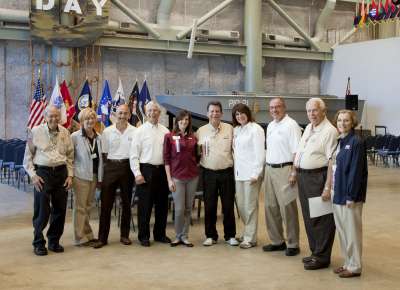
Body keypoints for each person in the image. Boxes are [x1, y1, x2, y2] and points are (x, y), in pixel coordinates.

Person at [23, 105, 74, 256]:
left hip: (61, 173)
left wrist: (70, 175)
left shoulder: (65, 132)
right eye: (50, 116)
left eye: (56, 116)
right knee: (42, 210)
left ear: (60, 117)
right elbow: (27, 157)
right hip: (43, 173)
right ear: (45, 117)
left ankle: (54, 241)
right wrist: (33, 175)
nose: (53, 119)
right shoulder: (36, 132)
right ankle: (38, 243)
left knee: (60, 209)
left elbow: (70, 156)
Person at [294, 98, 338, 270]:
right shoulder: (309, 128)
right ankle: (315, 252)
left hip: (318, 178)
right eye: (308, 111)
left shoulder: (329, 131)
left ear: (323, 111)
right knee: (309, 217)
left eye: (314, 110)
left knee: (322, 218)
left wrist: (328, 186)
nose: (311, 114)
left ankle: (322, 257)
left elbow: (331, 162)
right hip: (304, 177)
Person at [330, 110, 368, 278]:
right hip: (338, 192)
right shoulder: (340, 141)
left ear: (352, 122)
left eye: (346, 120)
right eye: (339, 120)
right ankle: (347, 262)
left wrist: (351, 195)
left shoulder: (356, 142)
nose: (342, 123)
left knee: (352, 232)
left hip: (349, 196)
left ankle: (355, 266)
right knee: (343, 231)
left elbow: (356, 172)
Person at [93, 104, 136, 248]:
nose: (122, 116)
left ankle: (124, 235)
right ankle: (102, 238)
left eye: (125, 113)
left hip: (127, 167)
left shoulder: (135, 131)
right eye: (120, 113)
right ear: (115, 115)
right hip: (110, 167)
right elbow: (104, 153)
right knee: (106, 204)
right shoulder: (107, 131)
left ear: (129, 115)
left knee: (126, 204)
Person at [263, 98, 302, 256]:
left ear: (284, 107)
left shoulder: (291, 125)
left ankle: (293, 244)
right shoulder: (271, 125)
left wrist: (294, 172)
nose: (274, 110)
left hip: (285, 169)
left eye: (277, 107)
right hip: (270, 169)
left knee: (288, 208)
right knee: (270, 207)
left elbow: (297, 151)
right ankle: (277, 241)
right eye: (271, 107)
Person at [196, 101, 238, 247]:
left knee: (228, 206)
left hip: (227, 172)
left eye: (217, 111)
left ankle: (230, 235)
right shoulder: (200, 131)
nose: (214, 114)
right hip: (208, 173)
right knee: (210, 206)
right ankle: (210, 235)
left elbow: (236, 150)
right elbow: (196, 153)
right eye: (212, 111)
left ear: (221, 113)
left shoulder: (230, 129)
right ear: (207, 113)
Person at [130, 101, 171, 247]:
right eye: (150, 111)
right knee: (145, 206)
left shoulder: (166, 131)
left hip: (162, 172)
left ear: (159, 113)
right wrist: (137, 173)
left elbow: (169, 155)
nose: (152, 113)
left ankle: (160, 234)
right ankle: (144, 236)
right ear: (146, 113)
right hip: (145, 171)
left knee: (162, 205)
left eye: (155, 110)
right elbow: (133, 155)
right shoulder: (139, 131)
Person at [163, 110, 199, 247]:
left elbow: (197, 156)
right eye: (181, 120)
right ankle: (177, 236)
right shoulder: (169, 136)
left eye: (186, 120)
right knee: (179, 209)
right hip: (177, 177)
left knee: (188, 208)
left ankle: (185, 236)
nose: (184, 122)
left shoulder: (193, 137)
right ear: (177, 121)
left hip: (192, 177)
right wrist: (169, 180)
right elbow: (166, 159)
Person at [231, 103, 265, 249]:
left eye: (242, 113)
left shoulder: (255, 129)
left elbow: (260, 152)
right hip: (239, 173)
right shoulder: (237, 129)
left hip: (251, 174)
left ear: (248, 113)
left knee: (250, 206)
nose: (240, 116)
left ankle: (250, 238)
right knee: (241, 206)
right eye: (236, 115)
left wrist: (256, 173)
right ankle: (247, 232)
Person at [71, 108, 103, 247]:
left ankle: (88, 234)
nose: (90, 121)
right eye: (87, 118)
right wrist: (70, 176)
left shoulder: (99, 137)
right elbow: (70, 159)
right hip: (80, 176)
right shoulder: (75, 137)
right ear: (82, 120)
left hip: (94, 176)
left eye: (92, 118)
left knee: (89, 206)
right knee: (80, 207)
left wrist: (100, 178)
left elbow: (100, 159)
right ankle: (79, 237)